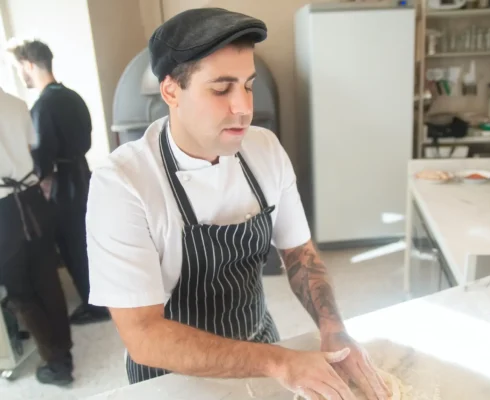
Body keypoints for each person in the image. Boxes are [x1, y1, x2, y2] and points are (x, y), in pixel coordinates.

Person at [86, 8, 391, 400]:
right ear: (170, 91)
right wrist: (279, 362)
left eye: (247, 85)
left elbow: (300, 254)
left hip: (259, 343)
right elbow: (143, 335)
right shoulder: (122, 183)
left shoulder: (265, 149)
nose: (243, 107)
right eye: (221, 88)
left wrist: (333, 326)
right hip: (171, 376)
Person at [6, 39, 110, 325]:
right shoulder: (72, 96)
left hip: (63, 186)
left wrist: (36, 181)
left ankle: (97, 305)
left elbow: (42, 157)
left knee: (72, 246)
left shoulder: (43, 106)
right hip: (83, 174)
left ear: (29, 64)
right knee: (87, 241)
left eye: (19, 68)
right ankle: (101, 297)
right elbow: (86, 138)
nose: (20, 75)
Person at [0, 86, 73, 385]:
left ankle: (55, 363)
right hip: (32, 198)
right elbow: (30, 149)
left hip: (3, 209)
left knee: (20, 291)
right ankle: (63, 354)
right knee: (48, 281)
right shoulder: (16, 103)